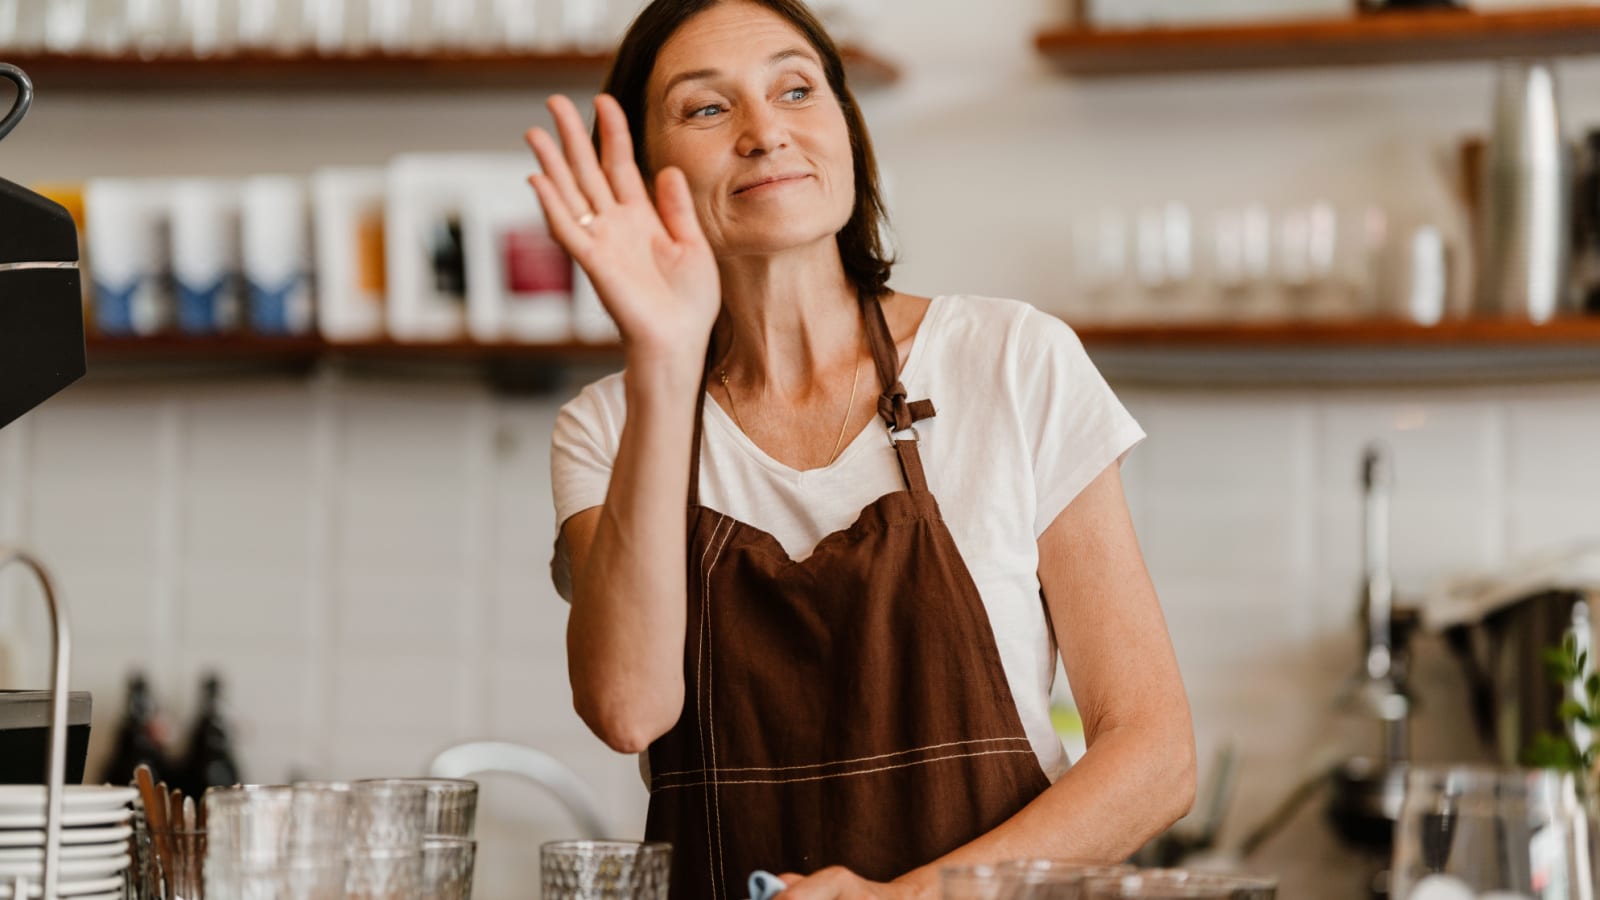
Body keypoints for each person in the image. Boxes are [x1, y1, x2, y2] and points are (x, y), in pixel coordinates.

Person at [533, 1, 1196, 897]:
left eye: (796, 89)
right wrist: (662, 353)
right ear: (646, 176)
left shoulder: (1011, 360)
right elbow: (626, 708)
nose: (766, 133)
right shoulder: (608, 425)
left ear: (845, 127)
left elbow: (1154, 754)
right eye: (706, 108)